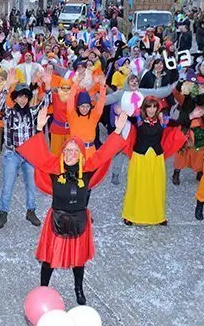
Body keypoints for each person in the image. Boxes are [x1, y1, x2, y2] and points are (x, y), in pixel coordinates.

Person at [17, 107, 129, 305]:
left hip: (80, 220)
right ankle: (43, 289)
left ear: (80, 154)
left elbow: (103, 155)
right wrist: (38, 129)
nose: (70, 154)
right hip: (56, 219)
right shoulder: (54, 167)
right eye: (67, 150)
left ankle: (79, 289)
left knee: (79, 261)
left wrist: (117, 132)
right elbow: (40, 155)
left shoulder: (86, 170)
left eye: (74, 151)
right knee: (49, 259)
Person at [0, 69, 52, 229]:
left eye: (25, 96)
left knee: (31, 185)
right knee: (7, 185)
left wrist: (47, 86)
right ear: (15, 97)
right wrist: (7, 86)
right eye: (20, 96)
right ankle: (3, 214)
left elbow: (46, 103)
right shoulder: (9, 113)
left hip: (30, 155)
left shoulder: (32, 112)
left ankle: (31, 211)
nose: (23, 99)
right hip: (12, 153)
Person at [121, 97, 188, 226]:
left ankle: (158, 216)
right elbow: (125, 118)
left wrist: (191, 114)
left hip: (156, 159)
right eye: (149, 106)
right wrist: (120, 111)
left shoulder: (163, 120)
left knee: (157, 187)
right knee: (137, 186)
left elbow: (181, 121)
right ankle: (130, 215)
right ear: (144, 108)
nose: (151, 110)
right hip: (140, 158)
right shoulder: (137, 119)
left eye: (154, 107)